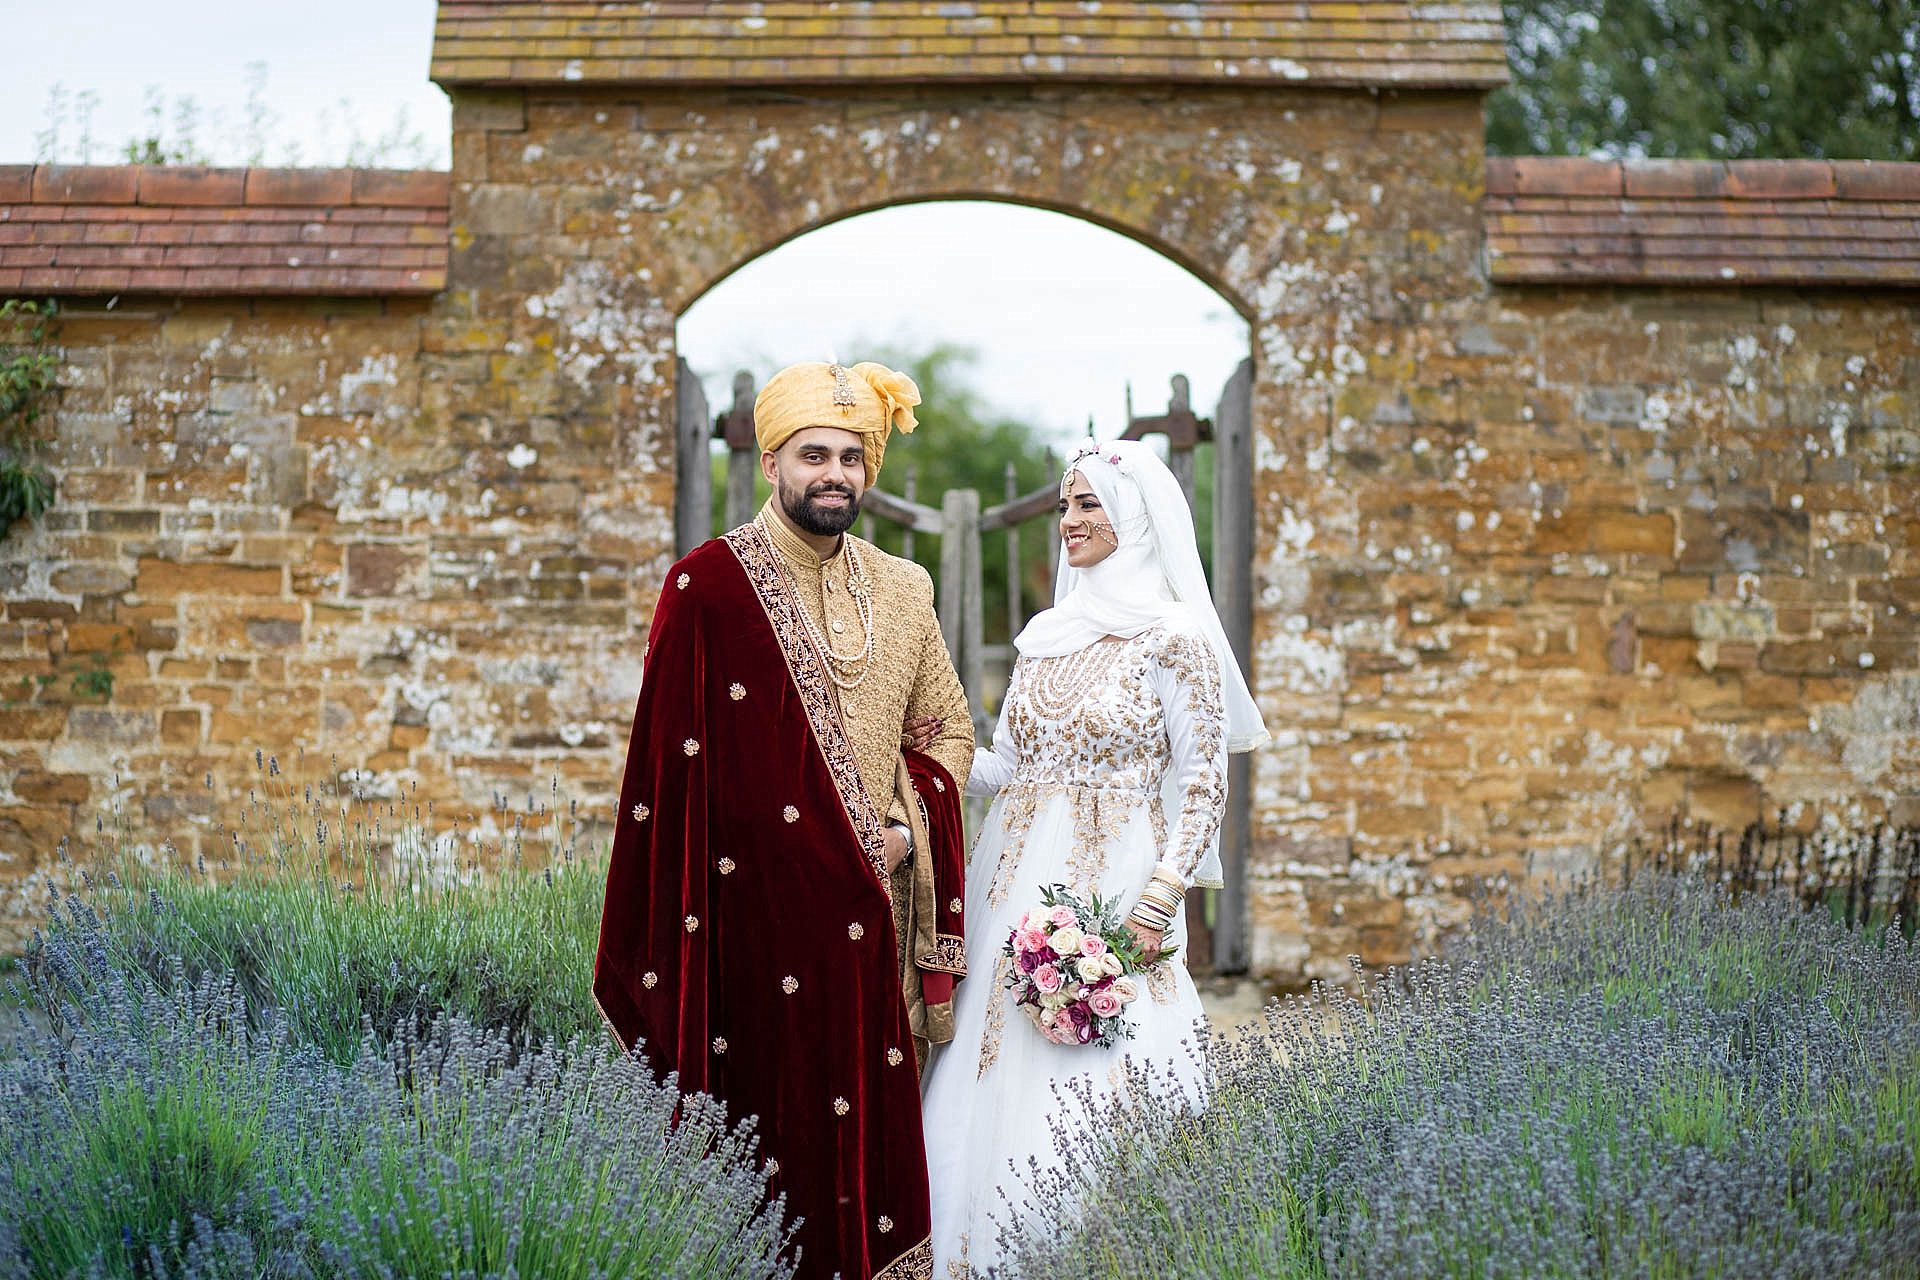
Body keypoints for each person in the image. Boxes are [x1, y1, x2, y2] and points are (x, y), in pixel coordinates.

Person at [595, 359, 976, 1280]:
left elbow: (946, 734)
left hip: (867, 919)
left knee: (865, 1149)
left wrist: (896, 836)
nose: (834, 473)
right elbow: (668, 776)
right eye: (814, 454)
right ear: (772, 460)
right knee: (760, 1151)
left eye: (851, 456)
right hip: (747, 929)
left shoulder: (904, 588)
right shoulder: (708, 589)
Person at [916, 439, 1268, 1276]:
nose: (1069, 521)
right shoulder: (1044, 635)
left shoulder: (1174, 636)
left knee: (1107, 1061)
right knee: (992, 1061)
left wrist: (1160, 897)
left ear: (1136, 517)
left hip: (1117, 884)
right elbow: (1002, 766)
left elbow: (1204, 783)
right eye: (1064, 506)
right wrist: (912, 750)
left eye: (1088, 505)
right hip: (1013, 883)